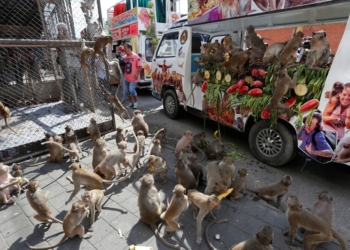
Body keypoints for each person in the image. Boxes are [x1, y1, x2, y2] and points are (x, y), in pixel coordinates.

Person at [123, 43, 142, 109]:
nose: (124, 49)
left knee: (132, 90)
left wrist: (137, 74)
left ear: (129, 48)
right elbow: (123, 66)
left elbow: (140, 66)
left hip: (133, 77)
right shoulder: (124, 57)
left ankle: (136, 102)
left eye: (125, 47)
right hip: (126, 77)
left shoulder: (136, 56)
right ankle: (131, 103)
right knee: (127, 91)